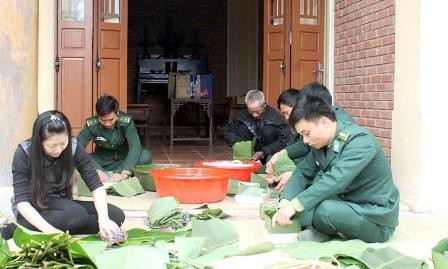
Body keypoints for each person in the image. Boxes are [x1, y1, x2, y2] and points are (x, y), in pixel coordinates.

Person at [272, 96, 399, 243]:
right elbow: (302, 172)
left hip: (373, 216)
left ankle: (323, 228)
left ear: (324, 123)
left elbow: (335, 180)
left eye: (306, 133)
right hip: (346, 204)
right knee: (306, 199)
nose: (305, 140)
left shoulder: (360, 142)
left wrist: (294, 206)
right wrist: (285, 203)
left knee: (324, 209)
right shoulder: (321, 144)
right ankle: (322, 229)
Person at [1, 110, 125, 240]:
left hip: (63, 204)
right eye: (52, 145)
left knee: (115, 215)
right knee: (77, 214)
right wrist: (50, 231)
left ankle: (69, 224)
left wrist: (104, 220)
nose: (59, 149)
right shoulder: (24, 153)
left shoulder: (74, 147)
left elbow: (96, 186)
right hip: (33, 206)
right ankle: (11, 230)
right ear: (39, 141)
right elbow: (22, 202)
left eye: (62, 143)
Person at [266, 82, 354, 191]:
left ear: (316, 104)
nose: (306, 140)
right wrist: (283, 153)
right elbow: (306, 149)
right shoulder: (319, 123)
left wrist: (295, 177)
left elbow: (332, 176)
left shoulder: (340, 129)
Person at [77, 95, 152, 182]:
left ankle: (119, 173)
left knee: (146, 155)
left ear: (117, 114)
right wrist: (96, 170)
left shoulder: (126, 122)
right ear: (98, 116)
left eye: (111, 120)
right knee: (77, 157)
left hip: (122, 160)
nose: (107, 124)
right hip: (101, 161)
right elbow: (77, 148)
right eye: (103, 120)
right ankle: (106, 173)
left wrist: (124, 173)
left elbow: (135, 147)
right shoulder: (91, 124)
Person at [223, 90, 291, 164]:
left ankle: (267, 161)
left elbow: (285, 139)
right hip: (248, 154)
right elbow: (228, 131)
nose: (254, 115)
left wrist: (264, 151)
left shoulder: (275, 117)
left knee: (268, 130)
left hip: (269, 153)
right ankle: (246, 161)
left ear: (264, 105)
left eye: (258, 111)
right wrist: (241, 144)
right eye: (251, 111)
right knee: (242, 128)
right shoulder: (242, 116)